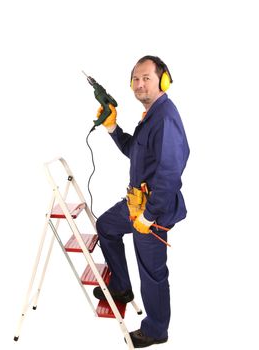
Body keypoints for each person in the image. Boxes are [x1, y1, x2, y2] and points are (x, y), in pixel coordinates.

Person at [93, 55, 190, 348]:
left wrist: (149, 216)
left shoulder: (166, 117)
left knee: (152, 272)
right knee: (106, 226)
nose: (139, 84)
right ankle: (121, 287)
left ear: (163, 81)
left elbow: (171, 173)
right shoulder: (149, 116)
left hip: (152, 211)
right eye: (135, 79)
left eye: (146, 78)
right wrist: (112, 128)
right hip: (136, 203)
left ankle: (157, 329)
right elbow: (135, 151)